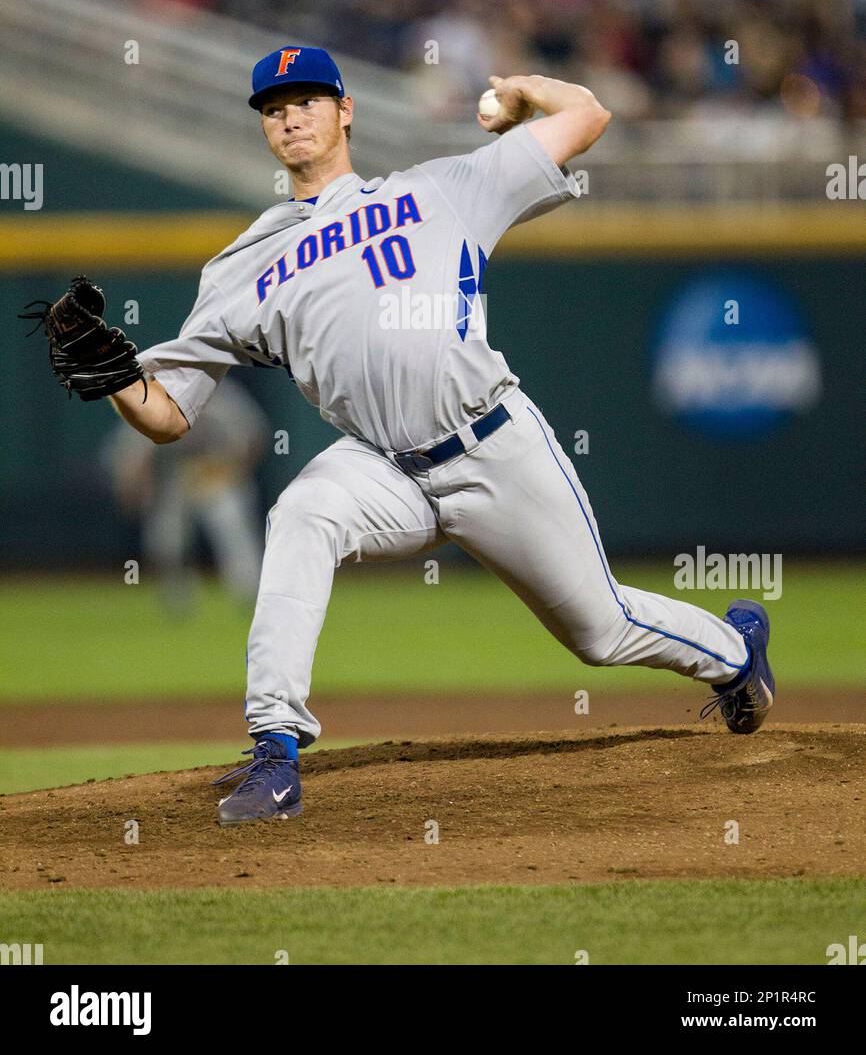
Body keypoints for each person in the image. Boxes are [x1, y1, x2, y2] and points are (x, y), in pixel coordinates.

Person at [106, 44, 774, 826]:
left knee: (601, 630)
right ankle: (275, 753)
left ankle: (735, 655)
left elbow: (588, 115)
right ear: (264, 128)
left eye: (308, 99)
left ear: (345, 110)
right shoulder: (242, 265)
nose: (291, 115)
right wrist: (110, 378)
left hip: (492, 443)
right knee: (299, 515)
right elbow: (167, 415)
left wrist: (525, 92)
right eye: (275, 107)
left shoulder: (442, 187)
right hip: (380, 466)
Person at [103, 378, 268, 617]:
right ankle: (177, 598)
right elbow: (133, 455)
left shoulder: (220, 393)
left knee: (232, 529)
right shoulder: (154, 396)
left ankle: (250, 594)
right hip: (175, 480)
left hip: (216, 475)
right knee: (167, 540)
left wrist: (232, 469)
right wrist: (133, 487)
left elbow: (254, 437)